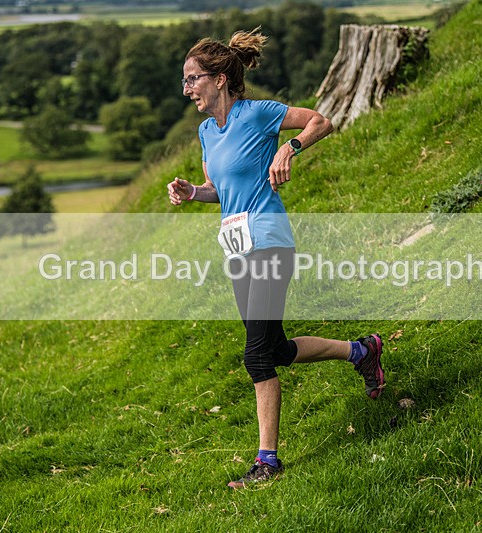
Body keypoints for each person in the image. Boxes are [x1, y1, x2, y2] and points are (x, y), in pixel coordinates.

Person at [167, 28, 384, 489]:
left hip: (269, 240)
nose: (187, 89)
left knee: (256, 357)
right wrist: (192, 192)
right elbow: (219, 191)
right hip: (237, 248)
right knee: (276, 349)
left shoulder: (258, 113)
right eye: (185, 81)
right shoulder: (207, 132)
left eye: (193, 79)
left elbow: (320, 121)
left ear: (220, 78)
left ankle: (268, 461)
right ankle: (362, 352)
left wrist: (290, 147)